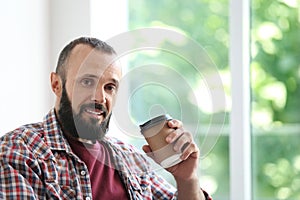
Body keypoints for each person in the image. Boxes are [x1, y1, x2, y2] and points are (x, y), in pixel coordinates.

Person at [0, 37, 212, 200]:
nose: (100, 97)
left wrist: (187, 180)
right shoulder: (18, 151)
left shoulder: (131, 160)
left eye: (109, 87)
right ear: (56, 84)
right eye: (87, 82)